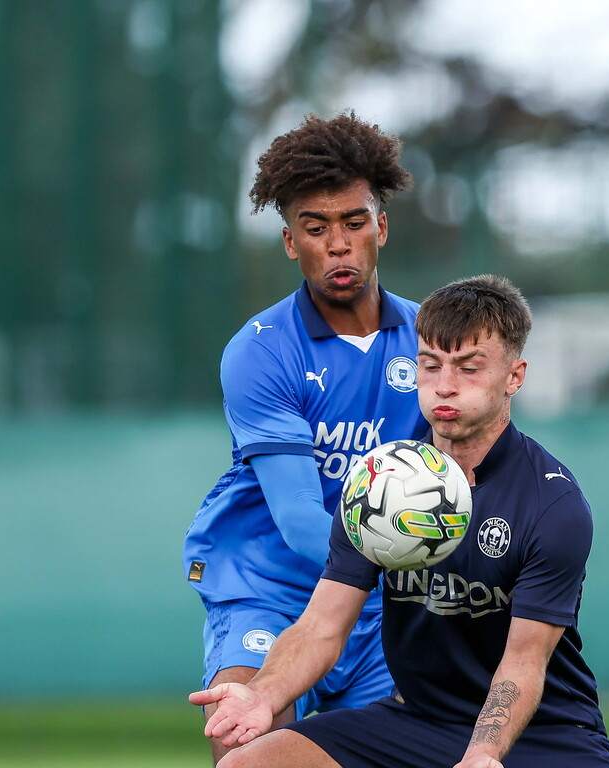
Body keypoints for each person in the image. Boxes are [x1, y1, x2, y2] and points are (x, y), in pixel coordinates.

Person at [190, 274, 609, 768]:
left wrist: (482, 754)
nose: (444, 385)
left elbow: (522, 662)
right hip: (416, 721)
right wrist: (263, 695)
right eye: (430, 365)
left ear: (514, 376)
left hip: (543, 736)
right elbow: (321, 628)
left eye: (469, 368)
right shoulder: (379, 486)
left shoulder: (552, 504)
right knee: (247, 764)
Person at [181, 112, 431, 763]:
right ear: (292, 244)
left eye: (353, 222)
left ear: (382, 226)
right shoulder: (261, 353)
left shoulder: (436, 342)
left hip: (385, 598)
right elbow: (297, 522)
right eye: (316, 229)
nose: (338, 244)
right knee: (248, 736)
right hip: (270, 578)